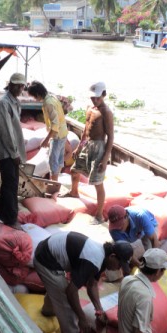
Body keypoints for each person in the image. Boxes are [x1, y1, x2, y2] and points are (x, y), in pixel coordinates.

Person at [33, 231, 134, 333]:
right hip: (45, 260)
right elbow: (71, 292)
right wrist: (82, 318)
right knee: (66, 301)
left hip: (48, 253)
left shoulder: (103, 256)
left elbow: (92, 285)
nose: (119, 268)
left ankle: (48, 310)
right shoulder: (93, 260)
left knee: (57, 288)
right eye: (119, 265)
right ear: (112, 256)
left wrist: (99, 309)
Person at [62, 81, 114, 225]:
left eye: (97, 97)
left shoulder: (106, 112)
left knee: (98, 182)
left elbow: (110, 137)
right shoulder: (89, 109)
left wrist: (105, 159)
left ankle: (99, 215)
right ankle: (74, 191)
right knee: (74, 170)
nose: (94, 100)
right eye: (92, 98)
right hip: (87, 144)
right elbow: (85, 129)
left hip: (98, 146)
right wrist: (79, 146)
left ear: (104, 95)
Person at [0, 72, 26, 230]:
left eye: (22, 86)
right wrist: (14, 154)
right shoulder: (4, 103)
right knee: (10, 184)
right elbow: (6, 132)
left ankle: (4, 215)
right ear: (11, 85)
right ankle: (11, 218)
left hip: (12, 151)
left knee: (10, 184)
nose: (20, 88)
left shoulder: (15, 102)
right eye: (17, 85)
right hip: (7, 151)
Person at [27, 81, 68, 184]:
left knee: (53, 161)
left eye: (34, 97)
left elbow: (55, 125)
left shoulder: (48, 103)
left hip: (57, 135)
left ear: (37, 94)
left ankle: (54, 184)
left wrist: (46, 140)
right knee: (58, 160)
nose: (35, 99)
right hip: (63, 132)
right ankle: (56, 182)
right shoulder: (52, 97)